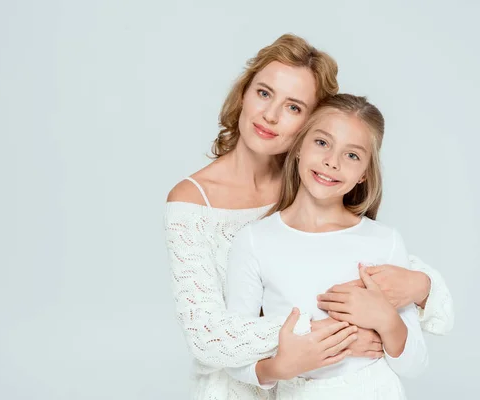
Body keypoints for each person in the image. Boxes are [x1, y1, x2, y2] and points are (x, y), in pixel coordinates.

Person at [164, 34, 453, 400]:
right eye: (264, 93)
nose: (270, 115)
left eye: (294, 107)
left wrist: (418, 289)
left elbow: (381, 270)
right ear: (243, 93)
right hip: (245, 387)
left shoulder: (316, 183)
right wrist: (338, 333)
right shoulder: (194, 202)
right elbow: (207, 337)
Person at [225, 94, 427, 399]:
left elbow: (415, 364)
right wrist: (282, 366)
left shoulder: (384, 241)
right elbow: (234, 354)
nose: (332, 161)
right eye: (322, 143)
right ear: (298, 149)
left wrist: (386, 319)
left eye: (352, 156)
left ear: (364, 175)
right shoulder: (255, 240)